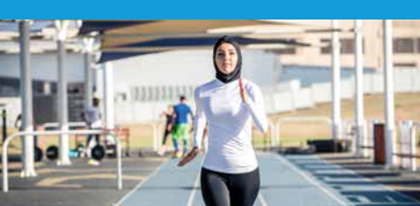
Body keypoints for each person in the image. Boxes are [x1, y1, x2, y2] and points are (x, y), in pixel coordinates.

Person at [178, 36, 268, 206]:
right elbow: (200, 117)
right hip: (213, 169)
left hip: (246, 171)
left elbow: (263, 127)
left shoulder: (251, 89)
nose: (226, 58)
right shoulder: (203, 91)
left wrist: (247, 102)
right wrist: (196, 144)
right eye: (220, 54)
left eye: (231, 53)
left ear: (238, 57)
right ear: (214, 58)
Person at [82, 97, 102, 162]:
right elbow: (82, 114)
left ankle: (98, 152)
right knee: (89, 139)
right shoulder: (89, 108)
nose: (98, 103)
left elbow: (99, 115)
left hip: (98, 125)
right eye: (96, 102)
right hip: (92, 125)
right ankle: (85, 151)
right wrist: (87, 121)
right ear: (93, 102)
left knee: (97, 140)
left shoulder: (98, 108)